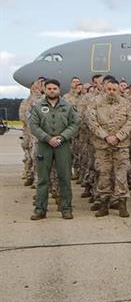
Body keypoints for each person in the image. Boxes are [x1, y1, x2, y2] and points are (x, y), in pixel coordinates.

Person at [29, 79, 81, 220]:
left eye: (54, 88)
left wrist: (62, 137)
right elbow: (33, 126)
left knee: (64, 178)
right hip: (44, 145)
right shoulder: (38, 107)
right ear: (45, 90)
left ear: (59, 90)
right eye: (49, 88)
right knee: (43, 179)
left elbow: (75, 123)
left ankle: (66, 209)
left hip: (62, 145)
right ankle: (40, 209)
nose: (52, 90)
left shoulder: (68, 107)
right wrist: (47, 138)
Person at [89, 76, 131, 218]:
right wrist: (106, 136)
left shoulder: (126, 104)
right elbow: (92, 122)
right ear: (104, 89)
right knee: (104, 174)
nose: (111, 92)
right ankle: (104, 204)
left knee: (121, 175)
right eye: (109, 89)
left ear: (118, 90)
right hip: (102, 146)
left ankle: (122, 204)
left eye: (114, 89)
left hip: (121, 146)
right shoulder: (95, 103)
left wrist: (118, 136)